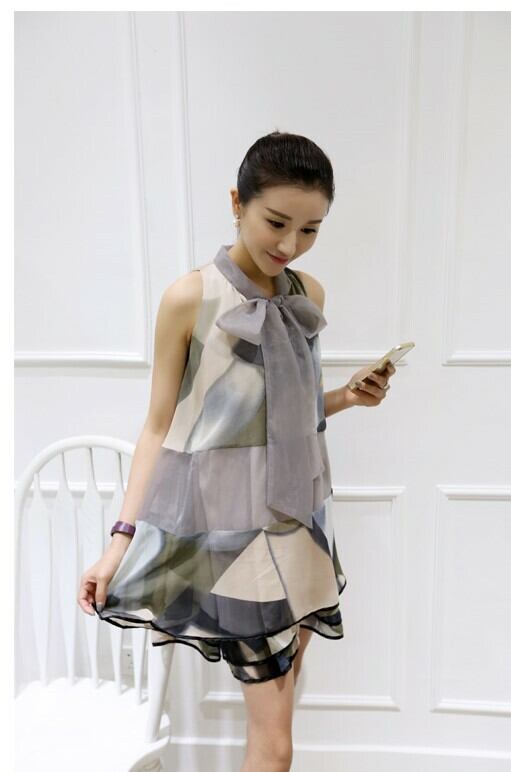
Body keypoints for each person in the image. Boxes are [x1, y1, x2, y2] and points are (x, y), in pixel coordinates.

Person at [77, 130, 395, 772]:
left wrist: (347, 397)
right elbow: (159, 426)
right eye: (276, 223)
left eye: (310, 230)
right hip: (233, 538)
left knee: (280, 711)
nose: (290, 245)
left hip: (303, 528)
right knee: (275, 745)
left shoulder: (308, 294)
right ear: (236, 202)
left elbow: (287, 417)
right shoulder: (190, 298)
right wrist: (120, 540)